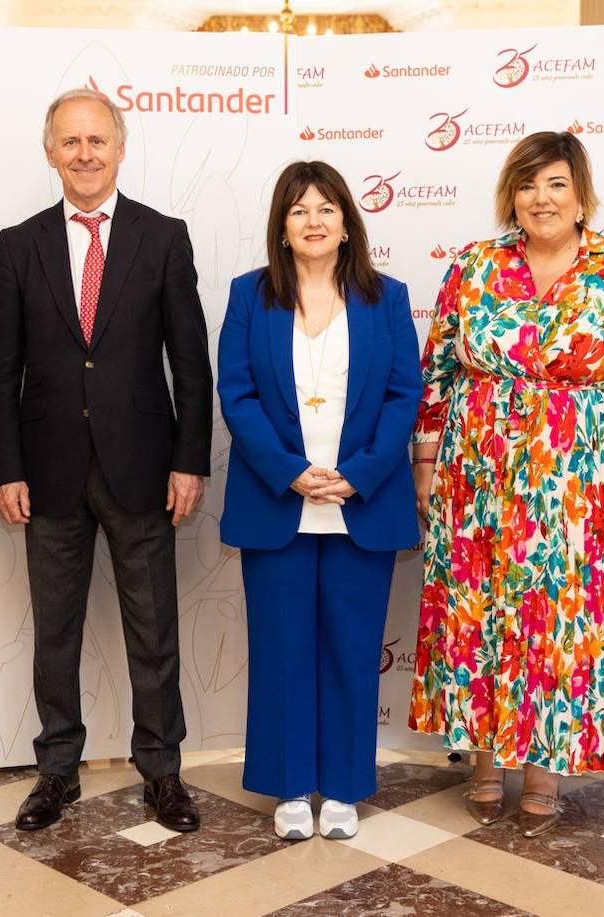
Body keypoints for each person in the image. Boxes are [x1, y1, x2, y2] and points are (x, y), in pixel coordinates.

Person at [408, 131, 604, 837]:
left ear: (580, 192)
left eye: (556, 184)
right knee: (483, 614)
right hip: (478, 479)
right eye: (528, 185)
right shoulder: (474, 266)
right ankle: (485, 761)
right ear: (512, 196)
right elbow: (437, 371)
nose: (541, 198)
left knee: (557, 621)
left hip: (579, 480)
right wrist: (427, 460)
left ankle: (543, 771)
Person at [0, 89, 212, 834]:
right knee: (55, 631)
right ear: (50, 151)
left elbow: (191, 364)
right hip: (45, 472)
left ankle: (163, 772)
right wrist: (4, 467)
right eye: (70, 141)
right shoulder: (20, 244)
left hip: (145, 467)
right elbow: (0, 369)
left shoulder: (162, 236)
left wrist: (190, 461)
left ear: (119, 148)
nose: (85, 154)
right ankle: (56, 771)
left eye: (97, 141)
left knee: (154, 630)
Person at [218, 161, 420, 841]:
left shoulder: (386, 297)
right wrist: (289, 469)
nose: (313, 220)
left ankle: (342, 787)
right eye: (300, 209)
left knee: (351, 650)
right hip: (279, 502)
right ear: (282, 226)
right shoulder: (249, 296)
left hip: (361, 503)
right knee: (282, 650)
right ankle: (288, 786)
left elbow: (403, 396)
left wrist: (360, 473)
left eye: (327, 208)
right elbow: (237, 394)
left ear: (346, 222)